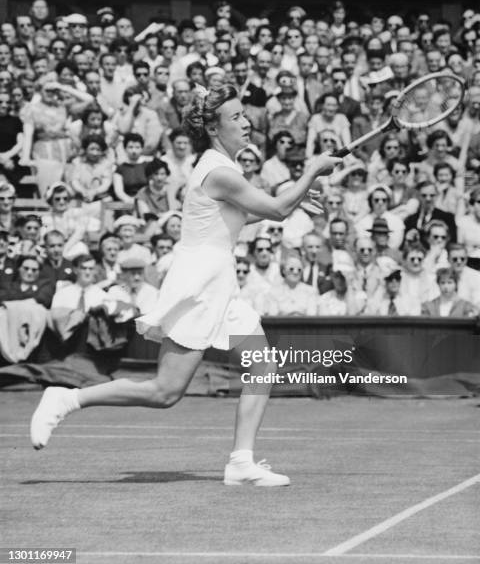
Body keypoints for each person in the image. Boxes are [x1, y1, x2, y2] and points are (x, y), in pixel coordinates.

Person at [30, 84, 339, 486]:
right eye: (236, 118)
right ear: (214, 128)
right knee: (165, 392)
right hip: (199, 285)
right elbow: (277, 210)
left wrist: (295, 197)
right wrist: (312, 170)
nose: (246, 123)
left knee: (261, 363)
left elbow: (241, 219)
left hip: (219, 282)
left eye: (245, 115)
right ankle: (67, 398)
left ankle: (241, 463)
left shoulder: (223, 168)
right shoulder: (220, 172)